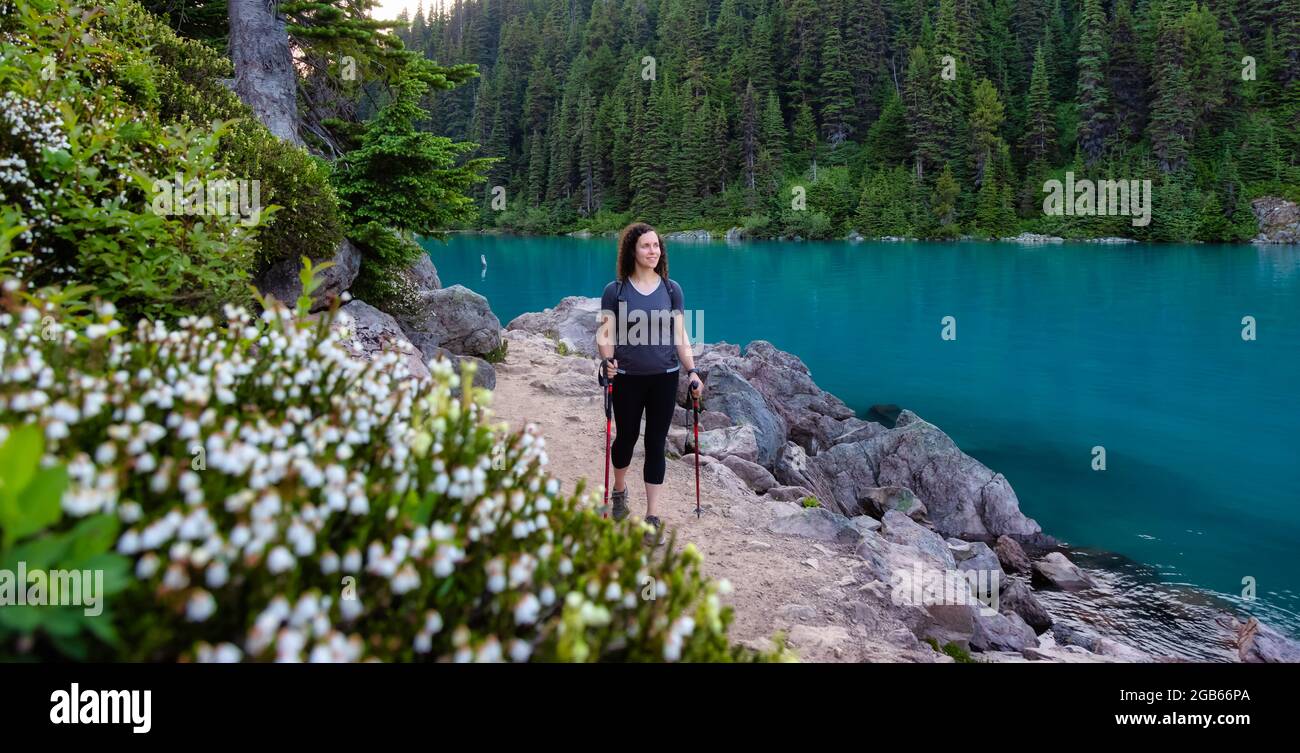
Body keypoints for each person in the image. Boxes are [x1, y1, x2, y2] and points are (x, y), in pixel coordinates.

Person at [596, 222, 704, 547]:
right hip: (627, 379)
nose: (653, 251)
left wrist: (693, 371)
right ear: (632, 250)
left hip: (665, 377)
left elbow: (680, 336)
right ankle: (618, 491)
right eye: (646, 246)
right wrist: (608, 361)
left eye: (656, 246)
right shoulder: (615, 291)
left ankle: (652, 516)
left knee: (656, 443)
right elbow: (605, 335)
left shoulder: (672, 290)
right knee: (626, 438)